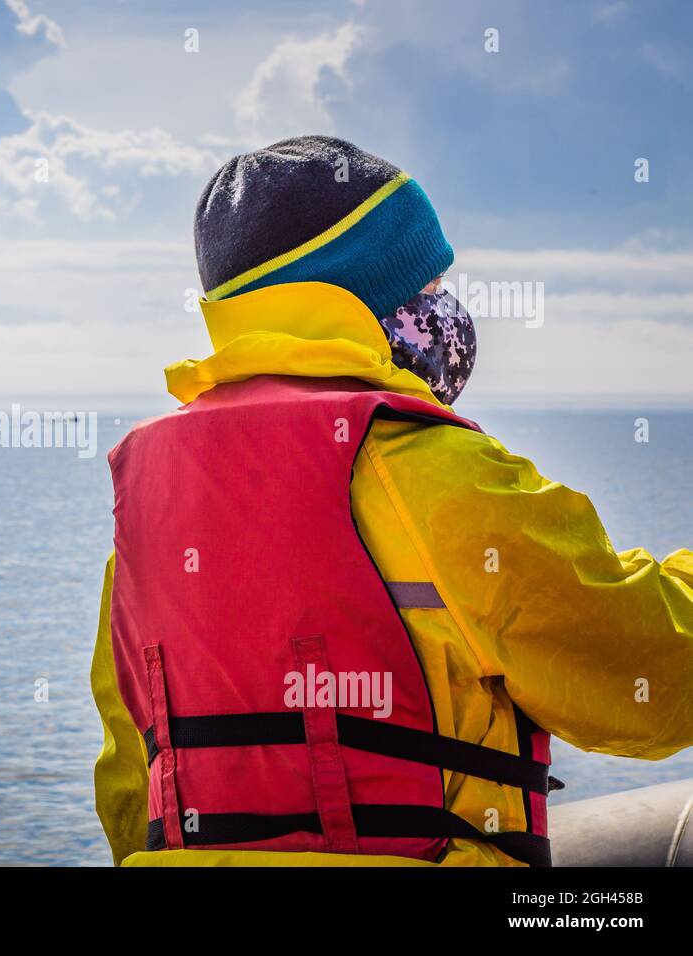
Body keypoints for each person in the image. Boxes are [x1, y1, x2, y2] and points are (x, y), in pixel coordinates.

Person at [90, 135, 693, 867]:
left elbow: (133, 776)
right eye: (430, 288)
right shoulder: (435, 472)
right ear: (373, 299)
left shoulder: (151, 502)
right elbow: (646, 680)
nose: (447, 311)